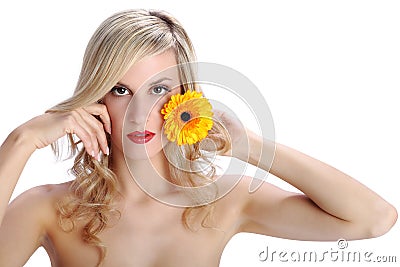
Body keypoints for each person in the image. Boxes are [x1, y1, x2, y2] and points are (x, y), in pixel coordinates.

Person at [0, 9, 397, 267]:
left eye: (158, 90)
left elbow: (373, 219)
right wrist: (20, 141)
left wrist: (247, 146)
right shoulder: (49, 208)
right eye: (121, 90)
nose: (140, 112)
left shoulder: (224, 200)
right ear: (97, 95)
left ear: (184, 96)